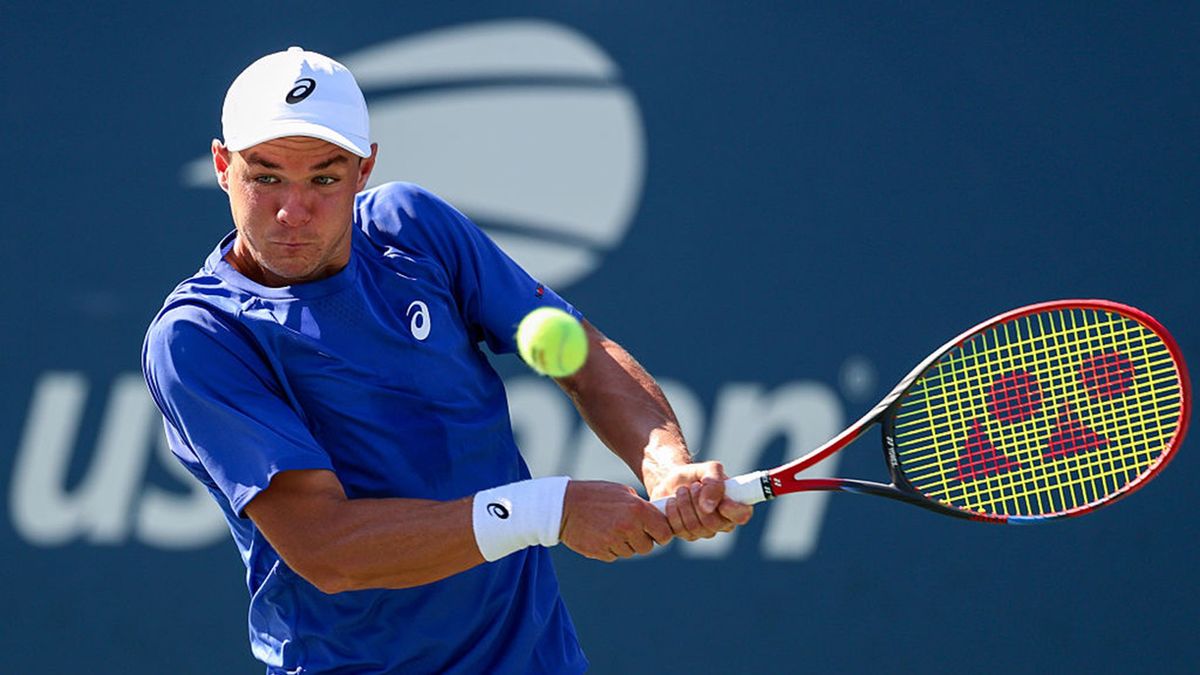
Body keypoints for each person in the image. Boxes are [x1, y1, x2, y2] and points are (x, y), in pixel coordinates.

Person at [142, 46, 751, 674]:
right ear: (223, 166)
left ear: (363, 168)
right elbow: (327, 547)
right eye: (266, 177)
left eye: (323, 179)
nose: (292, 212)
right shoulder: (201, 336)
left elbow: (582, 353)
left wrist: (666, 465)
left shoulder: (413, 228)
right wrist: (549, 510)